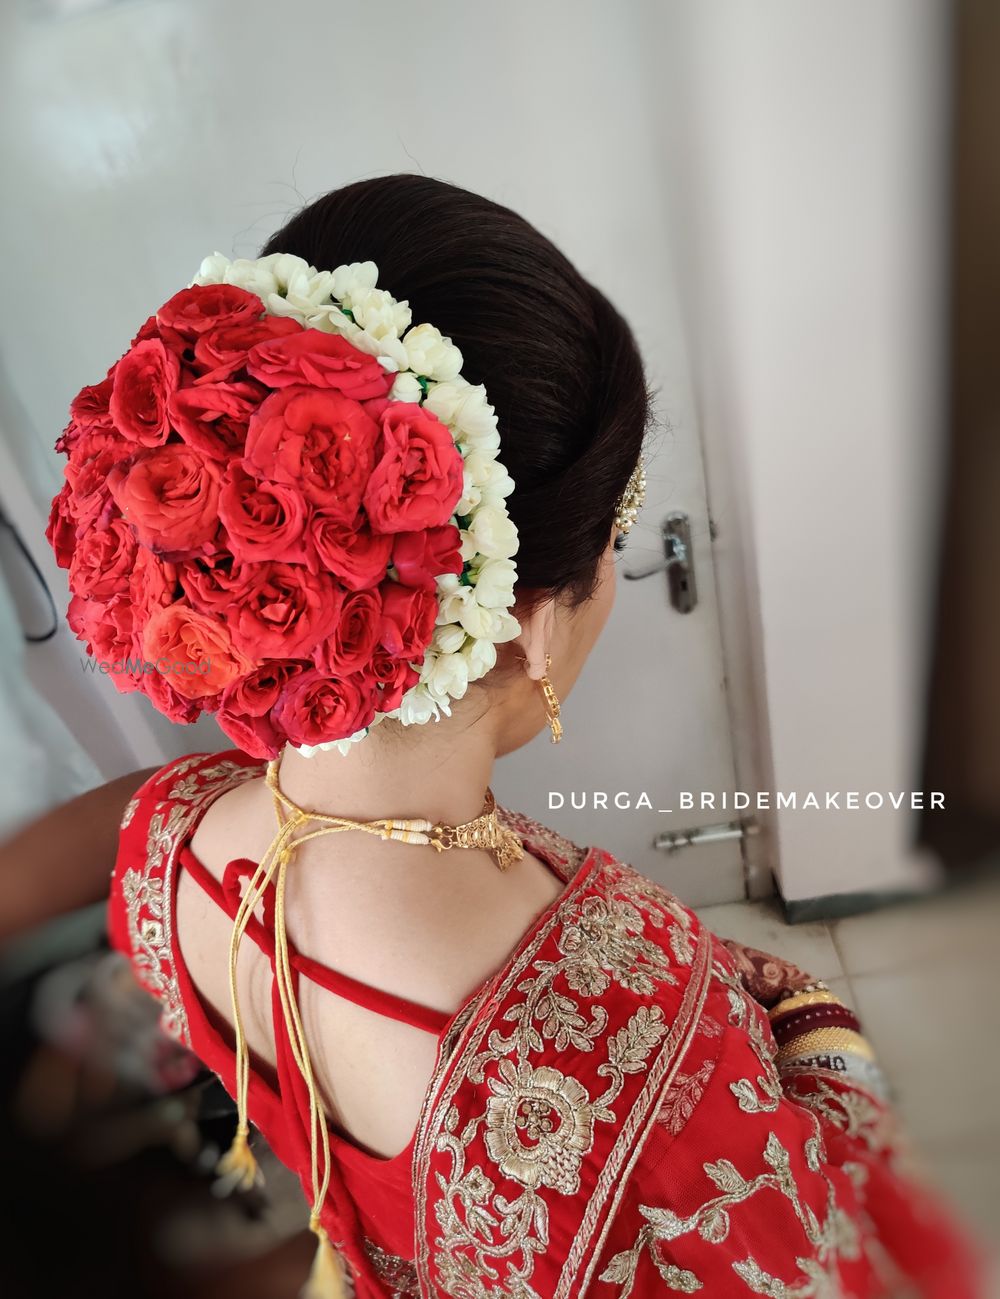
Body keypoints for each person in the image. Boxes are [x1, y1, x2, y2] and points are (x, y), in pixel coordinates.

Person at [13, 175, 984, 1297]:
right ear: (525, 623)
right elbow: (812, 1258)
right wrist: (820, 1038)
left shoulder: (169, 841)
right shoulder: (628, 1038)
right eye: (617, 539)